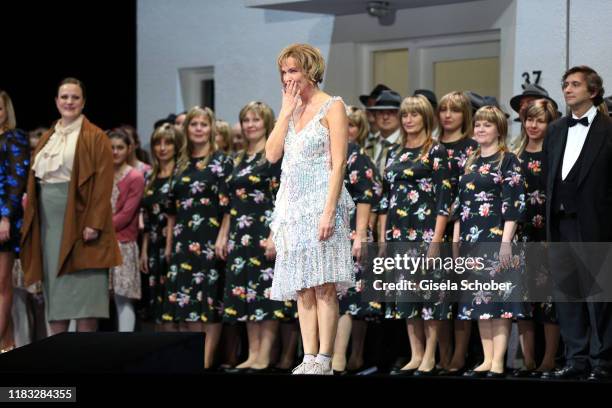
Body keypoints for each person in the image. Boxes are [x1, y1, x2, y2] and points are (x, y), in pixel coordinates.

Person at [266, 43, 355, 375]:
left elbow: (339, 163)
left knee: (324, 284)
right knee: (302, 285)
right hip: (293, 209)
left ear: (309, 71)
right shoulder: (290, 110)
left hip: (322, 204)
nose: (288, 78)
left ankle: (326, 359)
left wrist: (329, 211)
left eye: (293, 70)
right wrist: (285, 111)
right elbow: (272, 155)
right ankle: (308, 356)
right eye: (284, 72)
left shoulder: (332, 106)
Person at [21, 77, 122, 335]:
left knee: (86, 295)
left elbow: (103, 182)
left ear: (83, 102)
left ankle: (84, 361)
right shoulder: (47, 138)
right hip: (49, 223)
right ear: (56, 101)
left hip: (80, 221)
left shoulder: (94, 136)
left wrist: (94, 222)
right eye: (64, 97)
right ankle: (58, 359)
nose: (69, 102)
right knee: (56, 292)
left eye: (75, 97)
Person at [542, 66, 612, 381]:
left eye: (575, 84)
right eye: (565, 84)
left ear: (593, 91)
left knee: (600, 300)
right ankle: (576, 360)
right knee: (568, 297)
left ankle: (603, 362)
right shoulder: (556, 129)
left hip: (596, 225)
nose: (568, 90)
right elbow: (549, 178)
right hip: (560, 224)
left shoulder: (609, 129)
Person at [378, 95, 452, 375]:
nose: (408, 120)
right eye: (405, 115)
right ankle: (415, 353)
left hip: (426, 233)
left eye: (414, 115)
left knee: (430, 298)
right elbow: (384, 199)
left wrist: (436, 240)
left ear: (425, 118)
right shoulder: (394, 152)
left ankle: (430, 355)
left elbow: (445, 200)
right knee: (406, 296)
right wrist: (383, 237)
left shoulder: (435, 151)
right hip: (399, 233)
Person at [217, 101, 289, 372]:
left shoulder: (274, 157)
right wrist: (223, 235)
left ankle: (265, 356)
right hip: (239, 233)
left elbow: (283, 199)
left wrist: (274, 235)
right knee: (245, 293)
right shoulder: (236, 159)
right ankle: (253, 353)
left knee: (265, 295)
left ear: (267, 123)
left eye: (255, 120)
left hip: (265, 230)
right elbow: (228, 203)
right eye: (246, 120)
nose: (250, 125)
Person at [454, 105, 526, 378]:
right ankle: (485, 358)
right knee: (480, 300)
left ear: (499, 129)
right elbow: (461, 204)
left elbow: (514, 204)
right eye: (478, 124)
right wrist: (458, 238)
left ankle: (498, 360)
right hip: (472, 238)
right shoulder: (470, 160)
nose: (480, 129)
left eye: (487, 125)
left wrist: (506, 242)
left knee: (499, 301)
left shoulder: (508, 161)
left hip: (497, 237)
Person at [164, 106, 232, 369]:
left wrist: (222, 237)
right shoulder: (179, 163)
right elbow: (171, 210)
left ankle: (205, 361)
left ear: (211, 128)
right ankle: (192, 358)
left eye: (204, 124)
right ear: (187, 129)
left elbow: (229, 206)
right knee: (187, 302)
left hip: (210, 239)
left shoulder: (221, 162)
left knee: (209, 302)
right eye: (194, 125)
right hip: (183, 241)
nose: (199, 129)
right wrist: (170, 244)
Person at [512, 99, 560, 377]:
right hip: (521, 232)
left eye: (539, 120)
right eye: (529, 119)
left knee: (549, 299)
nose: (532, 125)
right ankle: (528, 360)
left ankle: (549, 359)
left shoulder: (554, 152)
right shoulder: (515, 152)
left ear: (549, 123)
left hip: (547, 233)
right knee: (523, 298)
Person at [333, 121, 383, 374]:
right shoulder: (322, 152)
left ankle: (340, 358)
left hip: (352, 230)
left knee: (349, 297)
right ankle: (352, 358)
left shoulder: (353, 153)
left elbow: (366, 194)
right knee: (344, 297)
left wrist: (361, 234)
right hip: (329, 232)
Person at [435, 91, 478, 375]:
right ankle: (443, 354)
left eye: (455, 110)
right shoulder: (432, 145)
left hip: (463, 226)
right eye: (443, 110)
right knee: (436, 296)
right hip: (431, 226)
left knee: (462, 294)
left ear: (466, 115)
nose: (448, 115)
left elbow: (471, 189)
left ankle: (460, 355)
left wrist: (454, 217)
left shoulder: (472, 147)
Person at [140, 124, 183, 330]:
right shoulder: (150, 176)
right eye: (158, 143)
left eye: (168, 143)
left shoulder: (180, 174)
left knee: (172, 299)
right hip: (154, 243)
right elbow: (147, 218)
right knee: (155, 301)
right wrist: (144, 251)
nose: (162, 148)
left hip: (175, 242)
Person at [0, 90, 30, 352]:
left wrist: (6, 217)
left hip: (3, 218)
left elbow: (17, 179)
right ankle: (7, 345)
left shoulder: (14, 138)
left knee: (1, 283)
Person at [108, 130, 145, 332]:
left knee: (123, 298)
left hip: (123, 243)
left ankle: (125, 343)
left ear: (129, 149)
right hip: (101, 244)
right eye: (111, 147)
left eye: (120, 147)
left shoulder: (135, 177)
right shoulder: (102, 174)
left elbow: (127, 213)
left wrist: (100, 229)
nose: (115, 152)